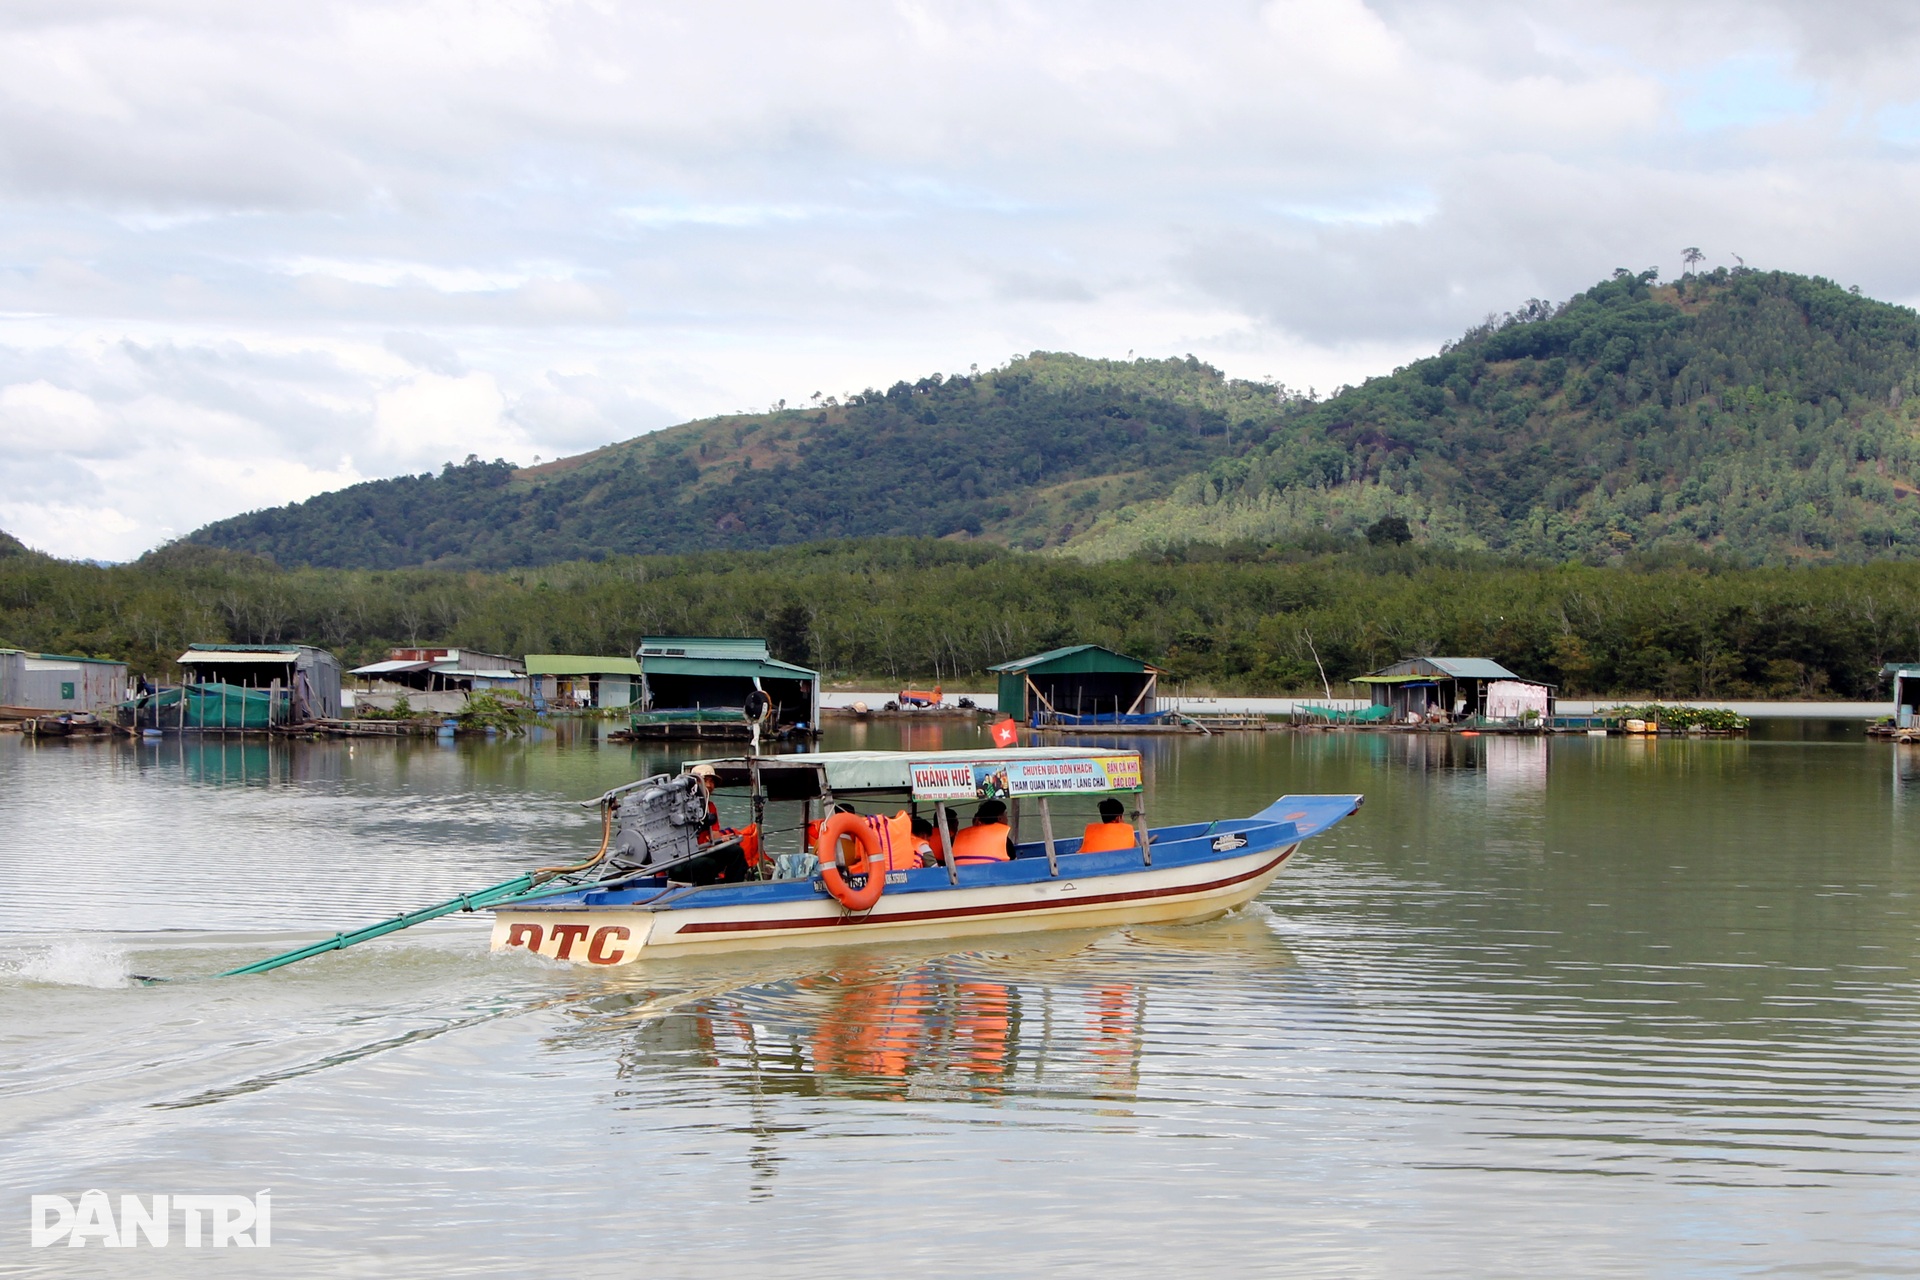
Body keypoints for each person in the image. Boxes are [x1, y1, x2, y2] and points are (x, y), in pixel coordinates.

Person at [951, 799, 1015, 864]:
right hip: (990, 870)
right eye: (1006, 814)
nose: (1007, 819)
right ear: (1000, 818)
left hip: (960, 870)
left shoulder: (959, 837)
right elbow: (1014, 864)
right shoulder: (1003, 840)